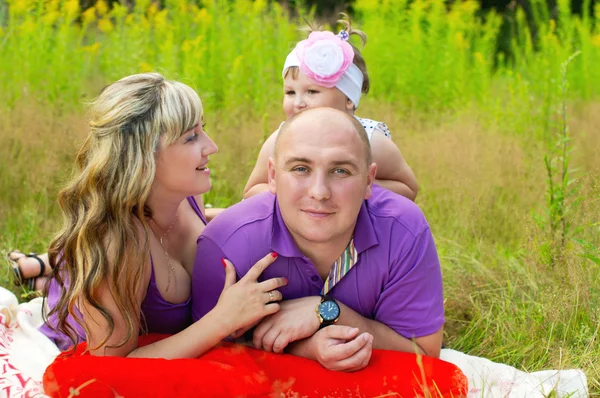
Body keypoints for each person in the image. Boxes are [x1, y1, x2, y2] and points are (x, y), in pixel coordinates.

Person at [38, 73, 287, 358]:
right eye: (191, 137)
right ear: (144, 157)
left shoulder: (188, 195)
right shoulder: (119, 245)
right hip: (82, 351)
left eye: (202, 130)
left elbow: (206, 220)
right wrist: (223, 320)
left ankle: (45, 273)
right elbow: (112, 366)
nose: (212, 147)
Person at [193, 107, 444, 372]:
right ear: (273, 176)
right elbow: (207, 353)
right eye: (301, 168)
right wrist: (306, 348)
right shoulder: (225, 244)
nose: (319, 192)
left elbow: (424, 355)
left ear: (369, 180)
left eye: (340, 171)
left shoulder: (403, 230)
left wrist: (328, 311)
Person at [243, 15, 418, 201]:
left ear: (349, 98)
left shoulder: (370, 141)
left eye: (312, 92)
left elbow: (407, 189)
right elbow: (252, 190)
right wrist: (290, 190)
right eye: (290, 93)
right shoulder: (280, 140)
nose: (298, 103)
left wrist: (358, 185)